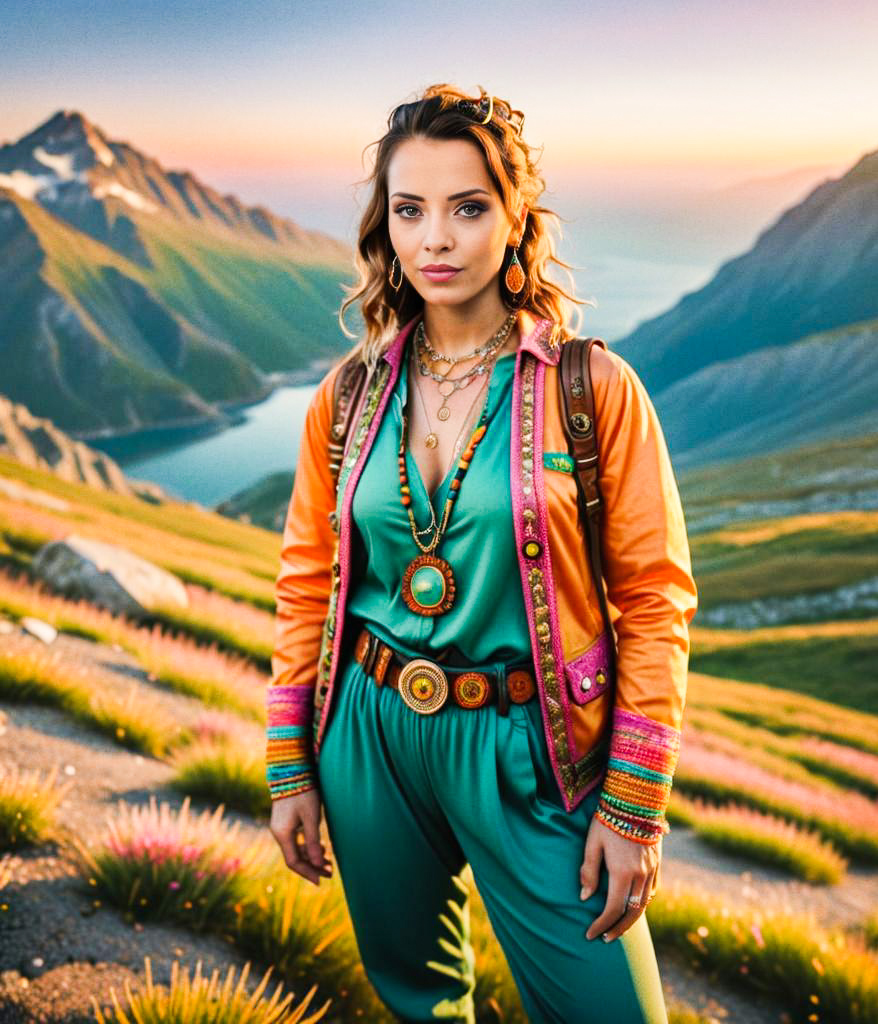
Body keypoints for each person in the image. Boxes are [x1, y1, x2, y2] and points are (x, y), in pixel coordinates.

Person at [265, 83, 698, 1024]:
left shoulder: (594, 389)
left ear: (516, 218)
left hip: (533, 750)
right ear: (387, 227)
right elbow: (307, 582)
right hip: (369, 734)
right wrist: (292, 762)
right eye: (410, 211)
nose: (436, 240)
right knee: (419, 1006)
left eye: (468, 208)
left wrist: (632, 804)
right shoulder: (343, 398)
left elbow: (657, 602)